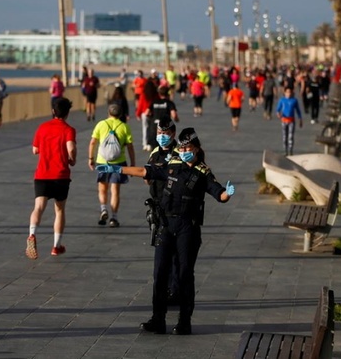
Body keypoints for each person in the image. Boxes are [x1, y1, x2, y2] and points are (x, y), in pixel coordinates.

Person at [96, 128, 235, 335]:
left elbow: (218, 192)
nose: (185, 150)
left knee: (184, 273)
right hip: (166, 225)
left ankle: (184, 321)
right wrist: (117, 170)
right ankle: (158, 319)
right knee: (160, 273)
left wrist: (226, 194)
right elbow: (146, 171)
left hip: (188, 227)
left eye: (188, 147)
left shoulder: (203, 172)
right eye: (182, 147)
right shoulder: (173, 165)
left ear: (196, 148)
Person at [26, 98, 77, 260]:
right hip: (60, 175)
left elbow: (35, 150)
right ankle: (56, 246)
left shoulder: (42, 127)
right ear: (67, 113)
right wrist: (72, 159)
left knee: (38, 207)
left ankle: (32, 234)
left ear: (53, 111)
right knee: (59, 210)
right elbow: (71, 148)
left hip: (42, 174)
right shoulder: (68, 129)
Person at [146, 117, 180, 305]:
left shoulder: (179, 152)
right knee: (161, 250)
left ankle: (174, 290)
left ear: (173, 134)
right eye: (159, 133)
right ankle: (165, 289)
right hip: (157, 207)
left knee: (173, 252)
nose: (162, 136)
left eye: (165, 133)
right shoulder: (154, 152)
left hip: (173, 208)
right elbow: (147, 178)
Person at [89, 104, 136, 227]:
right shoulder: (125, 127)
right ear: (121, 114)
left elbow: (93, 142)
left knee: (102, 188)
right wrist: (132, 163)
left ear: (108, 113)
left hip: (102, 161)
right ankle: (114, 218)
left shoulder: (101, 124)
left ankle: (103, 209)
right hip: (118, 162)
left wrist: (91, 158)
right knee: (115, 191)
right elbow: (130, 147)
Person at [276, 87, 303, 156]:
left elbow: (298, 110)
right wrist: (278, 114)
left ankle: (290, 150)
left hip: (291, 121)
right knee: (285, 136)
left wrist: (300, 119)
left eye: (290, 92)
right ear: (284, 93)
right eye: (287, 92)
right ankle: (285, 150)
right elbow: (278, 109)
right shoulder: (282, 100)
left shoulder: (294, 100)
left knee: (291, 136)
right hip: (284, 120)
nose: (289, 93)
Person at [136, 81, 158, 152]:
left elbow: (140, 105)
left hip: (144, 113)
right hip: (153, 113)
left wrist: (138, 114)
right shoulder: (155, 95)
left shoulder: (143, 94)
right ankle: (151, 144)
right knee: (153, 129)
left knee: (145, 129)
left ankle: (145, 144)